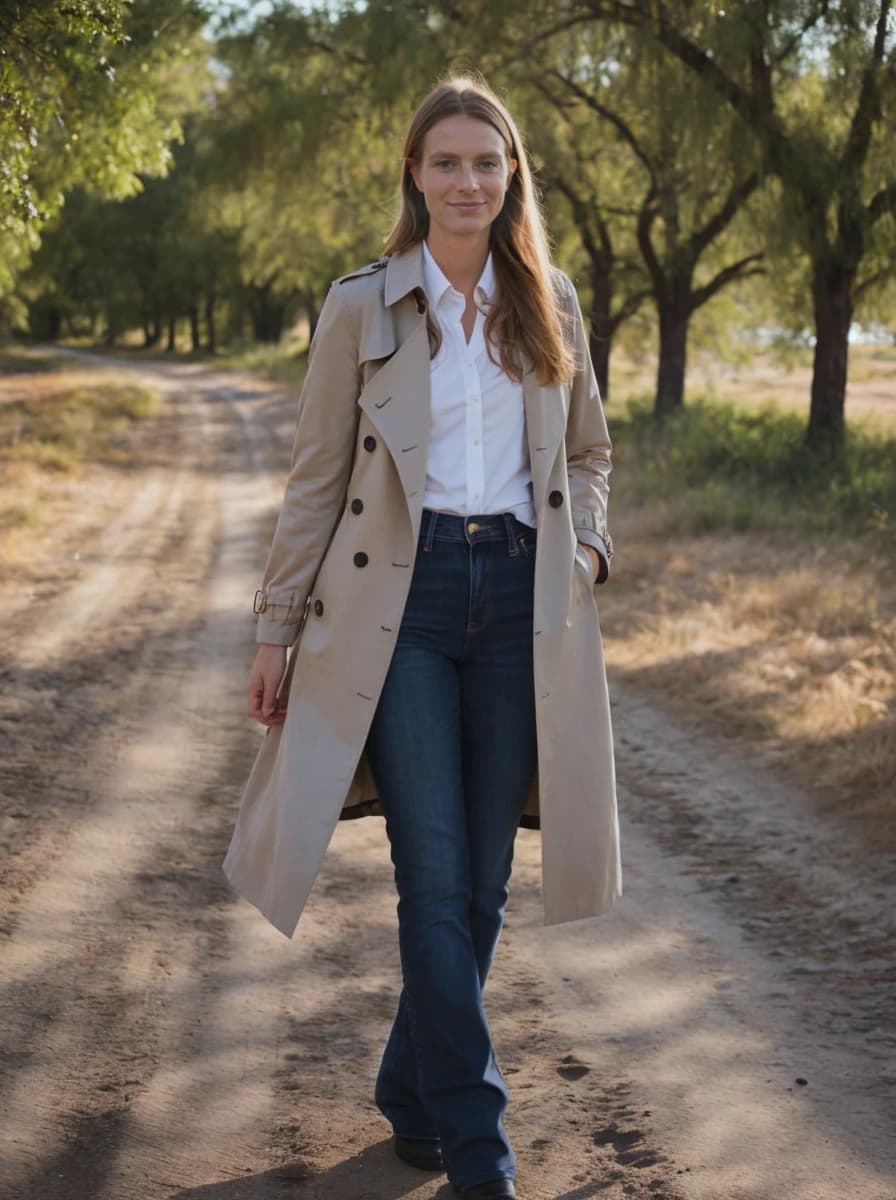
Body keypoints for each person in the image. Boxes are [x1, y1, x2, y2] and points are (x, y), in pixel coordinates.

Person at [223, 74, 622, 1200]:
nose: (466, 182)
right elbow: (314, 483)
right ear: (414, 172)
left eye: (485, 163)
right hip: (396, 607)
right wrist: (274, 631)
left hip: (522, 600)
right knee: (433, 879)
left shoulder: (552, 302)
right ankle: (481, 1151)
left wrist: (584, 553)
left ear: (510, 177)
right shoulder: (363, 305)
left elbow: (587, 454)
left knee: (486, 884)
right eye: (445, 162)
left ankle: (412, 1089)